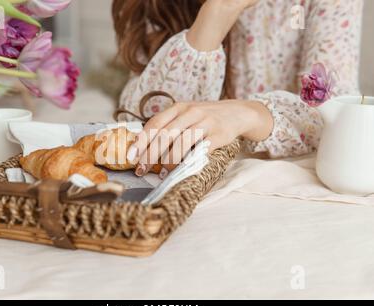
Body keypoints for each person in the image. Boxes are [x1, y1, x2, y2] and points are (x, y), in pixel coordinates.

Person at [112, 0, 363, 178]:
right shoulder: (158, 6)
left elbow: (336, 113)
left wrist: (247, 115)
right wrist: (219, 10)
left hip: (281, 189)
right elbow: (140, 121)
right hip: (180, 187)